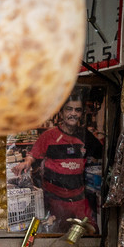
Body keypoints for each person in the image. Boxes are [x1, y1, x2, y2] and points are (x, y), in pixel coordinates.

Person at [28, 89, 94, 233]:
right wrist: (26, 163)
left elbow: (101, 155)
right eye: (69, 109)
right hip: (55, 202)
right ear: (62, 112)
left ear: (82, 113)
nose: (73, 114)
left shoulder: (85, 136)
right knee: (56, 237)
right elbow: (33, 155)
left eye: (78, 110)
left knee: (88, 234)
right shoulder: (49, 136)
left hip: (79, 201)